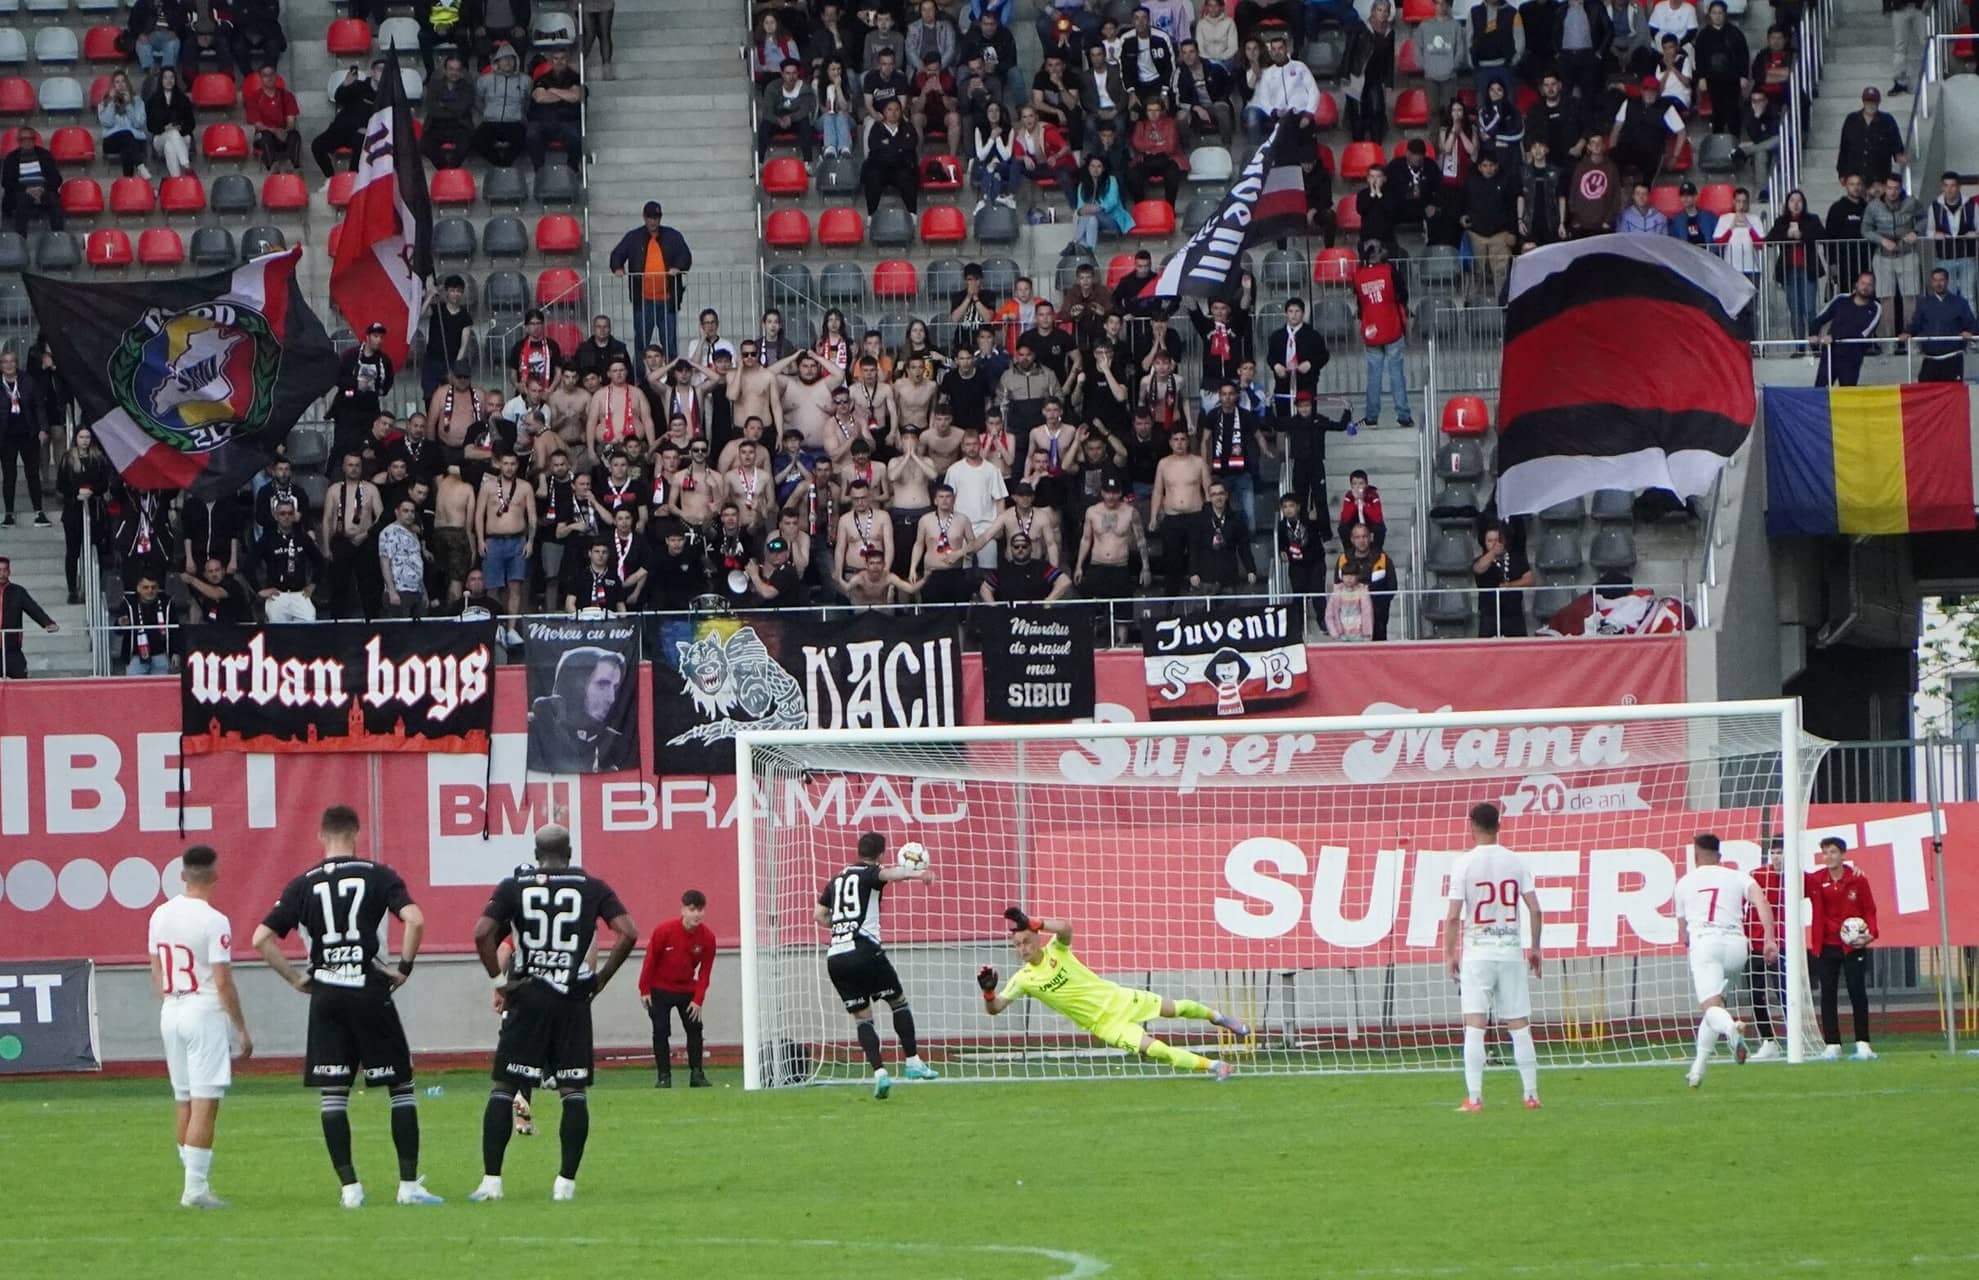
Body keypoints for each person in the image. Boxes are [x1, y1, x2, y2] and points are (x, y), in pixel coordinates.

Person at [251, 805, 440, 1208]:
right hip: (369, 989)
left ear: (321, 836)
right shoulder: (378, 874)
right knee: (400, 1088)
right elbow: (416, 920)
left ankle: (350, 1189)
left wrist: (296, 978)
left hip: (327, 994)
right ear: (357, 833)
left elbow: (261, 938)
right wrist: (403, 968)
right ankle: (408, 1186)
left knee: (334, 1094)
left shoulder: (302, 884)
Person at [471, 824, 639, 1203]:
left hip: (528, 996)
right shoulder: (593, 887)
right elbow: (628, 931)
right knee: (572, 1091)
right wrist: (599, 980)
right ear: (570, 852)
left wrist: (499, 981)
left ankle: (491, 1182)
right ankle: (565, 1184)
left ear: (535, 854)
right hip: (571, 998)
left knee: (504, 1088)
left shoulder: (514, 886)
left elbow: (482, 932)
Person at [981, 907, 1246, 1079]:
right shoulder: (1023, 980)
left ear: (1037, 939)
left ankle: (1218, 1017)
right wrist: (989, 993)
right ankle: (1214, 1066)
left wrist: (1034, 922)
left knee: (1176, 1008)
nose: (1023, 948)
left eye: (1027, 941)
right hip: (1105, 1024)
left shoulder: (1056, 950)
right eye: (1017, 946)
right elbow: (996, 1009)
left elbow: (1066, 928)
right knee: (1158, 1051)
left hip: (1118, 998)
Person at [147, 845, 252, 1210]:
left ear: (182, 875)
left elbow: (155, 965)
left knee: (184, 1098)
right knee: (205, 1102)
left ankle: (193, 1180)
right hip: (202, 1010)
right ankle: (194, 1189)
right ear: (215, 875)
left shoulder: (160, 914)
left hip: (172, 1008)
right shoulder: (213, 920)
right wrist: (240, 1027)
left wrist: (169, 997)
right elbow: (222, 981)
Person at [816, 832, 941, 1099]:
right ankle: (913, 1062)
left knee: (862, 1018)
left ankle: (880, 1073)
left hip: (836, 956)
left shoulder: (836, 879)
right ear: (881, 855)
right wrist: (918, 874)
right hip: (864, 950)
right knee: (898, 1002)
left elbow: (818, 915)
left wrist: (841, 927)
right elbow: (888, 876)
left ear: (858, 850)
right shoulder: (870, 872)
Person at [1442, 802, 1542, 1111]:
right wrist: (1535, 948)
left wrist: (1449, 954)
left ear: (1471, 825)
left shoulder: (1464, 864)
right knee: (1519, 1024)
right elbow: (1535, 908)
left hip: (1477, 954)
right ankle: (1530, 1095)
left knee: (1475, 1024)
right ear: (1499, 825)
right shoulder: (1516, 862)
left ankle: (1474, 1098)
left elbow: (1454, 916)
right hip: (1510, 952)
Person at [1671, 833, 1774, 1086]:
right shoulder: (1737, 875)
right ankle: (1697, 1071)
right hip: (1737, 947)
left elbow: (1682, 930)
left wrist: (1688, 939)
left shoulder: (1684, 883)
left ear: (1696, 856)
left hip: (1707, 944)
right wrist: (1769, 939)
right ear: (1719, 856)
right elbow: (1761, 900)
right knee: (1713, 1009)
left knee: (1711, 1008)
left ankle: (1732, 1030)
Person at [1808, 835, 1878, 1061]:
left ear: (1843, 854)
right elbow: (1790, 884)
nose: (1828, 857)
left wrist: (1870, 935)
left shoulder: (1857, 880)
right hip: (1826, 945)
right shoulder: (1816, 880)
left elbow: (1869, 910)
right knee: (1827, 994)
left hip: (1852, 945)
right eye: (1825, 852)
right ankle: (1832, 1044)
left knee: (1857, 992)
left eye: (1833, 852)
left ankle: (1863, 1043)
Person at [637, 890, 715, 1088]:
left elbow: (705, 972)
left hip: (687, 988)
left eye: (700, 910)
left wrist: (698, 999)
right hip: (659, 988)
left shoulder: (707, 938)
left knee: (695, 1028)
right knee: (661, 1030)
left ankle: (697, 1074)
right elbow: (650, 960)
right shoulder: (664, 931)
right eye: (692, 910)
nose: (696, 914)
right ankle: (664, 1076)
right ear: (683, 910)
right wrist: (644, 988)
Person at [528, 645, 632, 772]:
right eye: (602, 684)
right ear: (574, 684)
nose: (611, 698)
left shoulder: (616, 743)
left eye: (615, 687)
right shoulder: (531, 731)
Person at [609, 202, 692, 356]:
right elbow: (617, 254)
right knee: (641, 343)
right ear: (644, 217)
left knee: (670, 344)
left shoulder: (673, 235)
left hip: (668, 300)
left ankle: (672, 378)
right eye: (650, 217)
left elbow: (685, 255)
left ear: (660, 218)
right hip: (643, 301)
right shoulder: (633, 237)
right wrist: (617, 267)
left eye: (656, 217)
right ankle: (640, 378)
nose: (653, 221)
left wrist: (677, 266)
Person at [1354, 239, 1412, 430]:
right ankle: (1403, 414)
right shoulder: (1390, 271)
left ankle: (1371, 416)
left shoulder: (1358, 276)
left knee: (1373, 375)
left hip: (1371, 329)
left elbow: (1360, 303)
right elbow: (1403, 294)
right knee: (1396, 373)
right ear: (1379, 253)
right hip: (1391, 326)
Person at [0, 347, 49, 527]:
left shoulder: (28, 381)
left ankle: (39, 512)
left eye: (12, 361)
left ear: (16, 363)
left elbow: (39, 406)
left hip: (28, 434)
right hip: (6, 437)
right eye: (5, 362)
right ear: (0, 365)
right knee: (9, 476)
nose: (9, 365)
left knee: (32, 474)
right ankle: (9, 514)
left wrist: (43, 429)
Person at [1809, 270, 1883, 387]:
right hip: (1830, 353)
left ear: (1874, 288)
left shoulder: (1876, 308)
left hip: (1852, 357)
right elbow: (1819, 319)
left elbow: (1863, 334)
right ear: (1856, 284)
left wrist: (1834, 336)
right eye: (1863, 283)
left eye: (1869, 284)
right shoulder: (1841, 299)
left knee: (1847, 396)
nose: (1865, 287)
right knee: (1820, 391)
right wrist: (1813, 335)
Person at [1903, 268, 1976, 382]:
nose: (1938, 283)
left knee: (1951, 396)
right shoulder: (1924, 303)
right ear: (1931, 282)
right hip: (1929, 359)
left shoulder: (1960, 302)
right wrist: (1907, 332)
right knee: (1926, 395)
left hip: (1953, 358)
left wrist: (1970, 332)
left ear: (1947, 281)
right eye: (1935, 280)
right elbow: (1916, 324)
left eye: (1941, 280)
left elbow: (1971, 323)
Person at [525, 47, 586, 172]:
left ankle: (573, 169)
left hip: (568, 120)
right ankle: (539, 170)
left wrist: (552, 90)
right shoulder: (542, 78)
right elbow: (540, 97)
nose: (559, 62)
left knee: (575, 135)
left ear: (568, 60)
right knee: (531, 133)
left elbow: (575, 97)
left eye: (563, 58)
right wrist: (565, 95)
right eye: (556, 58)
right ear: (551, 60)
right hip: (543, 120)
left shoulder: (576, 78)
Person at [1835, 88, 1905, 188]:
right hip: (1856, 180)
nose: (1871, 105)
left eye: (1874, 102)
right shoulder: (1851, 120)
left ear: (1879, 102)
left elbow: (1897, 147)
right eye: (1868, 101)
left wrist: (1900, 157)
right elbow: (1844, 149)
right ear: (1863, 102)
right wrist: (1842, 173)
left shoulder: (1888, 121)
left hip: (1879, 180)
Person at [0, 556, 57, 678]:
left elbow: (33, 609)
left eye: (5, 570)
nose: (2, 574)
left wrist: (47, 623)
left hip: (12, 649)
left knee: (21, 680)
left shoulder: (18, 591)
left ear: (9, 572)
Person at [1, 128, 63, 238]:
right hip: (20, 192)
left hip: (43, 190)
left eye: (30, 138)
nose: (27, 141)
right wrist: (27, 190)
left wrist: (42, 189)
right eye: (23, 139)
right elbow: (6, 182)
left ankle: (58, 237)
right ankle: (20, 239)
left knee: (54, 201)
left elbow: (56, 179)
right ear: (19, 141)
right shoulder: (11, 158)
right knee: (23, 200)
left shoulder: (45, 155)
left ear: (34, 140)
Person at [1473, 522, 1532, 637]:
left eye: (1497, 540)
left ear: (1503, 540)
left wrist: (1510, 585)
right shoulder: (1480, 560)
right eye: (1490, 541)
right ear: (1484, 543)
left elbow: (1530, 579)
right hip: (1490, 617)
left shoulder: (1517, 558)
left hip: (1514, 616)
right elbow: (1478, 568)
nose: (1494, 543)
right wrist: (1493, 553)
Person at [377, 498, 429, 618]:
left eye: (412, 511)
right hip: (399, 591)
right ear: (397, 512)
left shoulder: (413, 534)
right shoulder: (389, 532)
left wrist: (424, 592)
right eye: (405, 511)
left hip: (417, 591)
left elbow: (416, 563)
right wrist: (391, 591)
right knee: (400, 632)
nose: (410, 514)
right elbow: (385, 563)